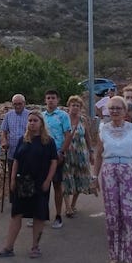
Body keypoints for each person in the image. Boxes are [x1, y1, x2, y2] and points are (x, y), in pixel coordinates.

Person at [0, 113, 59, 259]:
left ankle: (35, 247)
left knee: (38, 215)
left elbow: (54, 162)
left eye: (35, 120)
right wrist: (12, 180)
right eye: (30, 120)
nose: (32, 123)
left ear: (41, 123)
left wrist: (48, 180)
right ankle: (8, 247)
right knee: (16, 214)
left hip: (40, 183)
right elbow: (16, 160)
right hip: (22, 182)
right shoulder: (23, 140)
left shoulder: (48, 142)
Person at [93, 96, 132, 263]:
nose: (115, 111)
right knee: (113, 215)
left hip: (128, 171)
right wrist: (94, 177)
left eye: (118, 108)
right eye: (112, 108)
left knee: (131, 215)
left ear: (125, 111)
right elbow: (98, 154)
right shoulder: (103, 128)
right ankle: (114, 256)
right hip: (109, 172)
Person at [43, 89, 73, 229]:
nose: (50, 100)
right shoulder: (42, 116)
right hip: (42, 156)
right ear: (45, 100)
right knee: (42, 185)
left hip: (57, 155)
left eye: (53, 98)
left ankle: (58, 215)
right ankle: (41, 213)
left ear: (57, 100)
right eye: (48, 98)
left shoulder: (63, 116)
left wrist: (62, 152)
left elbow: (68, 135)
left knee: (56, 185)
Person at [62, 95, 96, 218]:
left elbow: (88, 137)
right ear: (68, 106)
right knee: (66, 178)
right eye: (73, 105)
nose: (75, 107)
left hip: (81, 153)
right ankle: (67, 207)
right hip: (67, 153)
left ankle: (73, 204)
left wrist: (91, 152)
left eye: (78, 105)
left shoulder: (83, 120)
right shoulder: (64, 119)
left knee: (79, 178)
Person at [0, 94, 29, 172]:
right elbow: (4, 131)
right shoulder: (8, 115)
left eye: (20, 104)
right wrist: (4, 141)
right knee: (12, 174)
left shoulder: (30, 115)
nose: (17, 106)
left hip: (27, 151)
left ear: (24, 103)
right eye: (15, 104)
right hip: (12, 151)